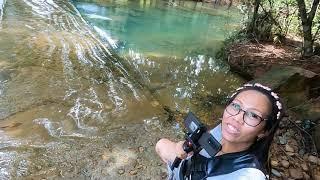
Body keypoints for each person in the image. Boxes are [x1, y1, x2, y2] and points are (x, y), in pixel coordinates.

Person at [155, 83, 284, 180]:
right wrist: (183, 147)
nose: (237, 118)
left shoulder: (248, 176)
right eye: (235, 106)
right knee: (161, 144)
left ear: (264, 131)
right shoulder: (220, 131)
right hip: (186, 170)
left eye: (253, 115)